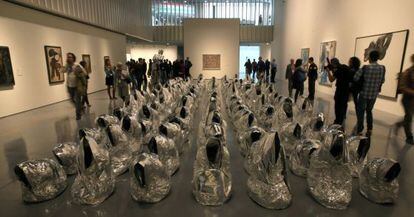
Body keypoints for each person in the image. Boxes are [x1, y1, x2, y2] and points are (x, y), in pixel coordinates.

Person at [354, 51, 385, 136]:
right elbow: (382, 80)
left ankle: (360, 129)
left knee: (361, 112)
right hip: (374, 95)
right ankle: (370, 129)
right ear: (378, 58)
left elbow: (356, 78)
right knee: (369, 111)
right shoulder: (382, 68)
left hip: (364, 93)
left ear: (370, 58)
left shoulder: (365, 67)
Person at [395, 54, 414, 145]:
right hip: (407, 99)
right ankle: (409, 137)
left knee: (409, 117)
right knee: (409, 117)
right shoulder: (408, 72)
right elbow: (402, 87)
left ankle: (399, 124)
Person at [328, 58, 352, 126]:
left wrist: (328, 71)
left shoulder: (339, 70)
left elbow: (331, 79)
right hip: (347, 90)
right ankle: (342, 120)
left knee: (338, 106)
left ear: (333, 63)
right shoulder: (345, 67)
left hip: (340, 90)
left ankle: (337, 122)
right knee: (343, 105)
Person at [62, 53, 87, 120]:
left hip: (76, 86)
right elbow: (62, 71)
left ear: (73, 58)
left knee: (78, 100)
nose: (68, 58)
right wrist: (65, 66)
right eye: (68, 57)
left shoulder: (77, 65)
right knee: (72, 100)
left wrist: (79, 72)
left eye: (70, 57)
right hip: (69, 86)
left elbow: (85, 72)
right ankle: (80, 107)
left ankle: (78, 115)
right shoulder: (67, 65)